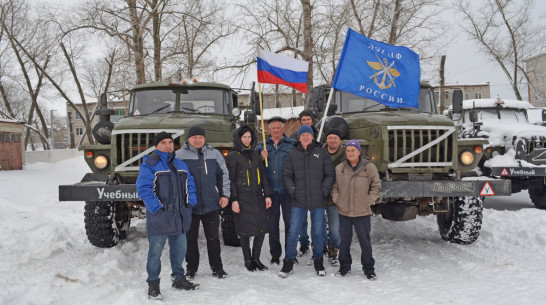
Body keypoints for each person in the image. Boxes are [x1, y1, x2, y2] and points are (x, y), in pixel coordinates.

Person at [136, 131, 199, 300]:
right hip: (160, 216)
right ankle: (153, 284)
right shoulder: (149, 165)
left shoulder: (180, 164)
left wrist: (190, 202)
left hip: (179, 215)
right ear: (156, 145)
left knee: (179, 250)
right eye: (163, 142)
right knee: (155, 252)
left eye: (170, 142)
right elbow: (144, 189)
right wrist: (156, 208)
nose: (168, 145)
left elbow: (190, 184)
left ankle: (178, 278)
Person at [279, 125, 335, 277]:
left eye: (307, 134)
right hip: (298, 200)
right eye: (302, 135)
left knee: (317, 233)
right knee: (293, 232)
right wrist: (293, 191)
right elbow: (286, 176)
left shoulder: (321, 153)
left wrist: (323, 191)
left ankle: (318, 260)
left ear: (312, 137)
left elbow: (330, 175)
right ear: (299, 137)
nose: (305, 137)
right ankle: (288, 262)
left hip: (317, 200)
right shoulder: (293, 154)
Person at [176, 126, 230, 279]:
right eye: (195, 137)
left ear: (205, 138)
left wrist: (225, 195)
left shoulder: (214, 154)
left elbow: (223, 175)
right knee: (190, 239)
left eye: (201, 137)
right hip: (189, 206)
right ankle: (191, 269)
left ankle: (217, 268)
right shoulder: (179, 156)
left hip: (211, 204)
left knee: (213, 238)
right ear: (189, 139)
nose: (198, 140)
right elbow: (174, 179)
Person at [331, 139, 381, 280]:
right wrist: (337, 199)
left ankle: (369, 269)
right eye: (348, 151)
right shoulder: (339, 168)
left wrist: (368, 201)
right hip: (344, 211)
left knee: (365, 242)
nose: (350, 153)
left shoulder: (369, 167)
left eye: (353, 150)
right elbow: (334, 187)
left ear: (359, 152)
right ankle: (344, 267)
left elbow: (376, 186)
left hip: (362, 211)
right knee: (345, 241)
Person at [226, 125, 272, 271]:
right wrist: (234, 200)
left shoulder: (256, 154)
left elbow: (263, 175)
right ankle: (247, 260)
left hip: (257, 196)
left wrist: (267, 195)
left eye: (249, 137)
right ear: (239, 138)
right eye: (244, 137)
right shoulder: (233, 157)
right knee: (244, 230)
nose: (247, 140)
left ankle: (256, 258)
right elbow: (231, 180)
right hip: (241, 197)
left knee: (261, 228)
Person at [256, 116, 297, 265]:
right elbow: (254, 168)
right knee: (272, 226)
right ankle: (275, 254)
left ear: (283, 129)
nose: (275, 130)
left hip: (287, 192)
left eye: (278, 127)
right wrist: (260, 158)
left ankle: (290, 254)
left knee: (290, 225)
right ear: (268, 129)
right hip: (270, 192)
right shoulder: (262, 146)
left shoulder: (292, 145)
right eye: (273, 128)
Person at [289, 110, 317, 256]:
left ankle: (318, 245)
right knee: (301, 221)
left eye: (308, 119)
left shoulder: (321, 133)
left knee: (318, 220)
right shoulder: (295, 137)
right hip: (300, 184)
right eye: (303, 120)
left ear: (312, 121)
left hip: (315, 184)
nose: (306, 122)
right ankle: (304, 243)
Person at [323, 129, 345, 266]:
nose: (332, 140)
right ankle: (318, 252)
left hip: (335, 198)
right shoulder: (319, 153)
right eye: (330, 138)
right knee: (318, 228)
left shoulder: (346, 155)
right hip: (319, 196)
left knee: (335, 229)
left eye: (335, 138)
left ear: (339, 140)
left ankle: (333, 252)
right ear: (326, 140)